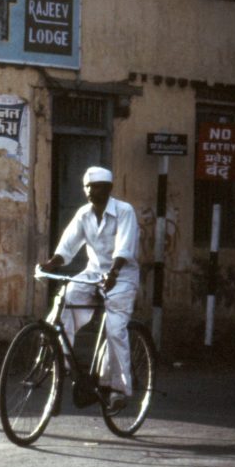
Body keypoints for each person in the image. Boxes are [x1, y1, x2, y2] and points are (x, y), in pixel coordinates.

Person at [39, 166, 139, 413]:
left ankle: (119, 389)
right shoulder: (84, 214)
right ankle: (60, 367)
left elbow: (124, 249)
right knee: (66, 301)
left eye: (95, 187)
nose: (90, 192)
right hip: (94, 274)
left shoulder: (125, 211)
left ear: (108, 188)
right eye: (87, 187)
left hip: (122, 276)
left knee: (115, 330)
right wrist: (50, 263)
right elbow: (67, 247)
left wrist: (114, 274)